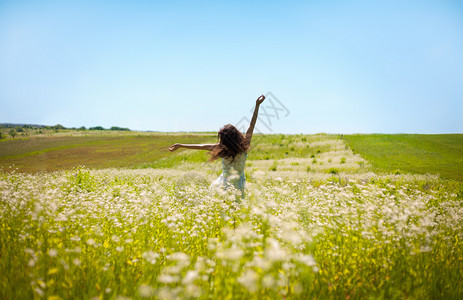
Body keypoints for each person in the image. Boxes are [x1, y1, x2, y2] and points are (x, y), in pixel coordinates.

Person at [169, 94, 266, 197]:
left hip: (222, 186)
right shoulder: (244, 146)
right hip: (238, 186)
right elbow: (251, 125)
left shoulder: (222, 148)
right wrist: (257, 105)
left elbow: (201, 146)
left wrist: (181, 145)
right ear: (236, 135)